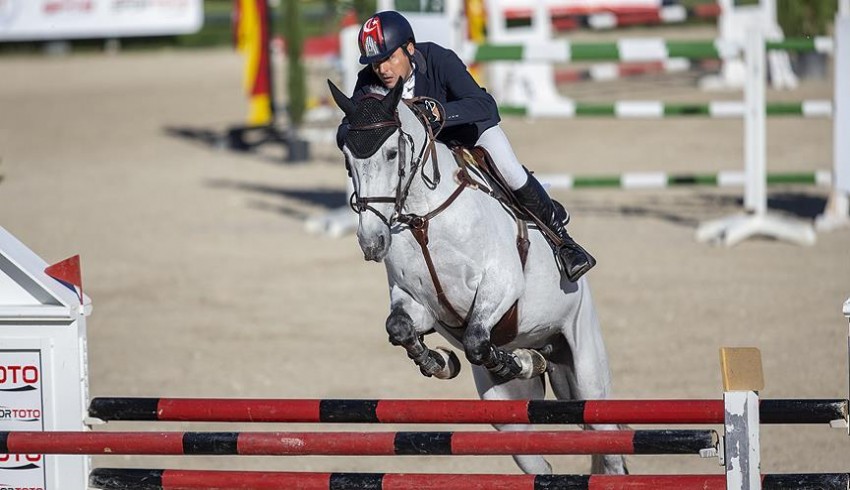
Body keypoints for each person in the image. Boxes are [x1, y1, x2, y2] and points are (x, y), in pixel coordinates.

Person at [337, 10, 595, 282]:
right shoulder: (368, 82)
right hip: (427, 154)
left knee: (510, 170)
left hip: (469, 133)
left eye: (388, 58)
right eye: (376, 63)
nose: (383, 70)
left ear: (409, 48)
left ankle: (563, 242)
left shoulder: (440, 59)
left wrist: (440, 113)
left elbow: (485, 106)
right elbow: (346, 129)